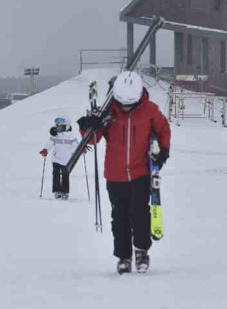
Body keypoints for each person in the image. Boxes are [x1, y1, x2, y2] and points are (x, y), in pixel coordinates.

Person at [78, 71, 171, 275]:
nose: (125, 107)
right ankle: (123, 256)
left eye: (129, 103)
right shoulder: (108, 112)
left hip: (141, 172)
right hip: (115, 174)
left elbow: (164, 129)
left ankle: (141, 251)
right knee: (119, 216)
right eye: (122, 103)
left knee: (140, 213)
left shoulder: (150, 110)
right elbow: (93, 139)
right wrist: (87, 126)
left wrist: (163, 151)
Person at [39, 117, 80, 200]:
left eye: (60, 126)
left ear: (66, 126)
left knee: (65, 175)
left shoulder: (71, 135)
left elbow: (76, 144)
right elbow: (50, 142)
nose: (58, 128)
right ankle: (57, 191)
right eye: (57, 126)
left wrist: (81, 149)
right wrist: (45, 149)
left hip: (67, 160)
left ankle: (65, 192)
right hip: (56, 158)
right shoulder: (55, 134)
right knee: (56, 175)